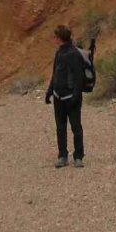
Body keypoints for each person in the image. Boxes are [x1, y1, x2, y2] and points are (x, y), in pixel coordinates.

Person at [45, 25, 86, 168]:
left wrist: (75, 95)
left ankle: (78, 156)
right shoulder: (59, 53)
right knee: (60, 127)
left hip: (71, 97)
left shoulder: (73, 53)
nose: (53, 39)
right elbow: (55, 73)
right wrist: (49, 91)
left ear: (60, 38)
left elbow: (79, 77)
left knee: (76, 127)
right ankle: (62, 155)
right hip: (58, 96)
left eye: (55, 36)